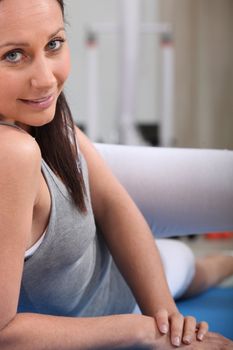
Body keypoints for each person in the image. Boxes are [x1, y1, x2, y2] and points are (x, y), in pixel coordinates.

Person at [0, 0, 232, 349]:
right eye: (13, 55)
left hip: (126, 272)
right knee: (189, 269)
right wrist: (143, 330)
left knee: (195, 269)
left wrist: (169, 324)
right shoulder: (11, 153)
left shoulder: (44, 116)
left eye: (54, 44)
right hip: (124, 301)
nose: (46, 80)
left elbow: (111, 203)